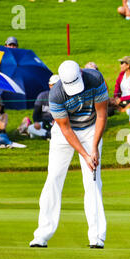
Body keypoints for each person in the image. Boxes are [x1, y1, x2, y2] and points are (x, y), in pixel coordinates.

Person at [29, 60, 109, 249]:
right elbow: (65, 129)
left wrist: (94, 148)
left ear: (81, 73)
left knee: (92, 180)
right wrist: (84, 153)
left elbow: (102, 115)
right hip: (64, 134)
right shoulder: (56, 94)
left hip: (91, 130)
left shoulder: (95, 79)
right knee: (54, 178)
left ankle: (96, 236)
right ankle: (42, 234)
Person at [27, 74, 60, 139]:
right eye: (54, 85)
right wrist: (36, 122)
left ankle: (47, 135)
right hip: (43, 122)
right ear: (50, 86)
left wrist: (57, 121)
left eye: (58, 85)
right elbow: (36, 112)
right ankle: (48, 134)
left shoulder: (64, 97)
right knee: (31, 128)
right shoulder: (42, 96)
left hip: (58, 122)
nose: (56, 87)